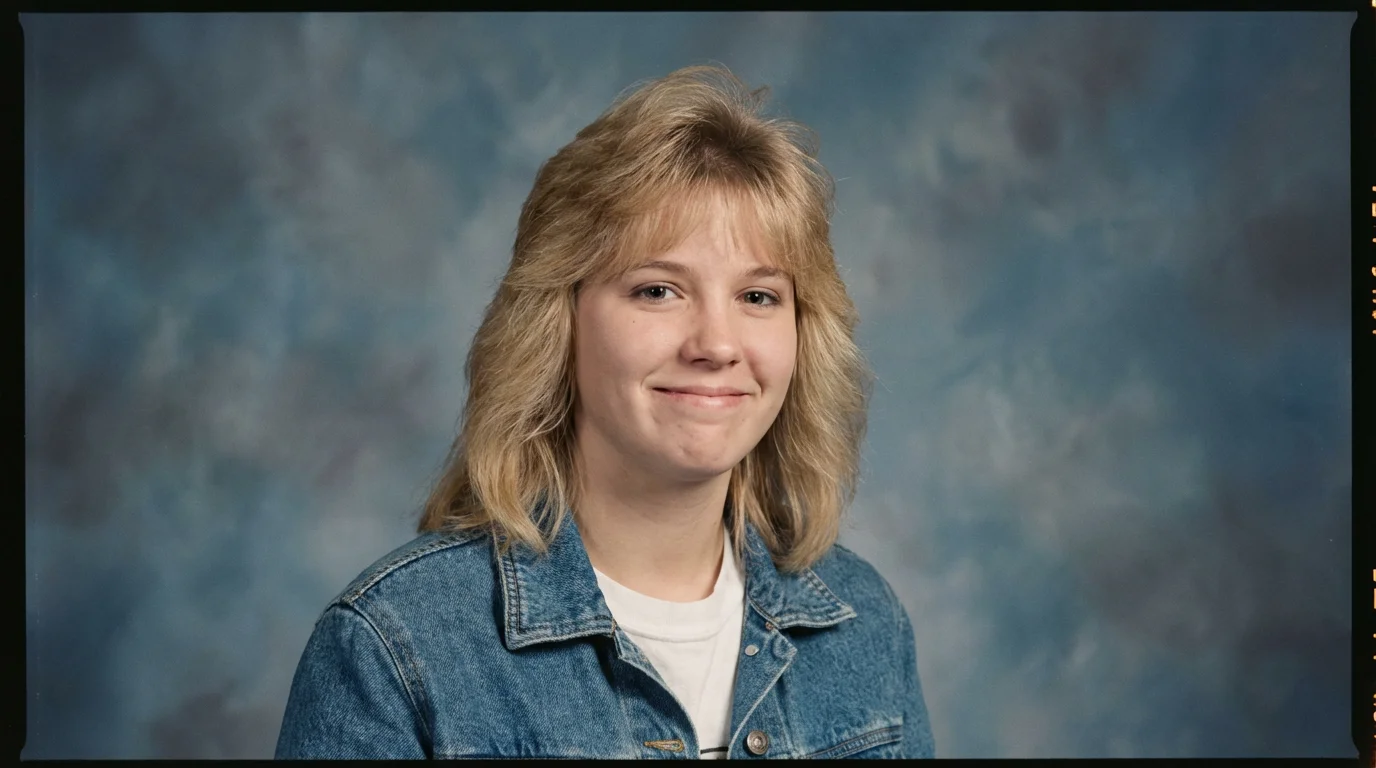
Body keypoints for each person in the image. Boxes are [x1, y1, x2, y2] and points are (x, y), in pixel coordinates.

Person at [275, 64, 934, 760]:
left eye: (759, 297)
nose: (716, 344)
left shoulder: (865, 624)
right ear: (558, 321)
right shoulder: (394, 647)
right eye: (657, 291)